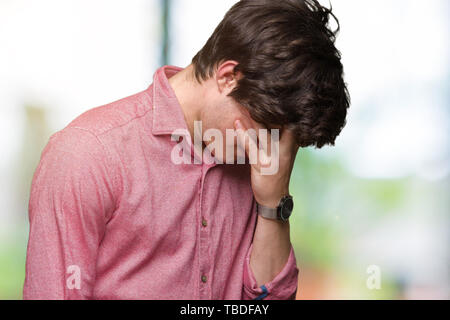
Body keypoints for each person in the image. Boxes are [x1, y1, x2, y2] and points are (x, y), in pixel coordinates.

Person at [23, 0, 349, 300]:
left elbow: (269, 299)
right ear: (228, 77)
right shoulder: (88, 153)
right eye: (266, 132)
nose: (267, 154)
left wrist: (273, 204)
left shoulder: (262, 168)